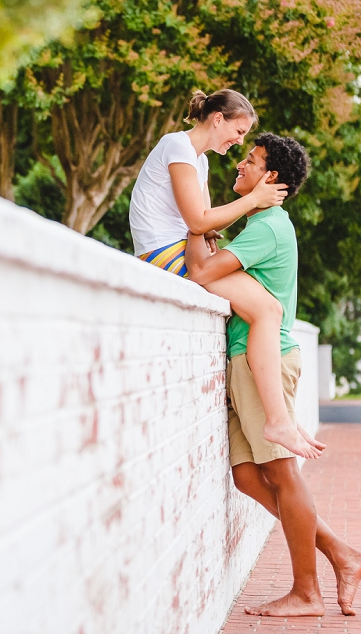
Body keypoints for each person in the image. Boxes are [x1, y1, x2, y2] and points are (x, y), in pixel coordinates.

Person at [185, 133, 361, 616]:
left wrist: (198, 222)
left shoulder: (267, 225)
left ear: (270, 177)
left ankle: (307, 592)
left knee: (283, 474)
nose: (240, 163)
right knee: (248, 477)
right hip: (248, 358)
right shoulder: (259, 223)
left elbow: (203, 273)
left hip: (262, 360)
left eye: (250, 159)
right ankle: (341, 554)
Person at [129, 90, 321, 460]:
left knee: (267, 310)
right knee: (267, 311)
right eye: (239, 130)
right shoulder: (178, 147)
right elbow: (198, 219)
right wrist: (252, 200)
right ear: (218, 119)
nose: (239, 141)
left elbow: (201, 221)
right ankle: (278, 419)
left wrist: (209, 227)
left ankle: (280, 417)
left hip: (178, 247)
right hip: (162, 253)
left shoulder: (196, 161)